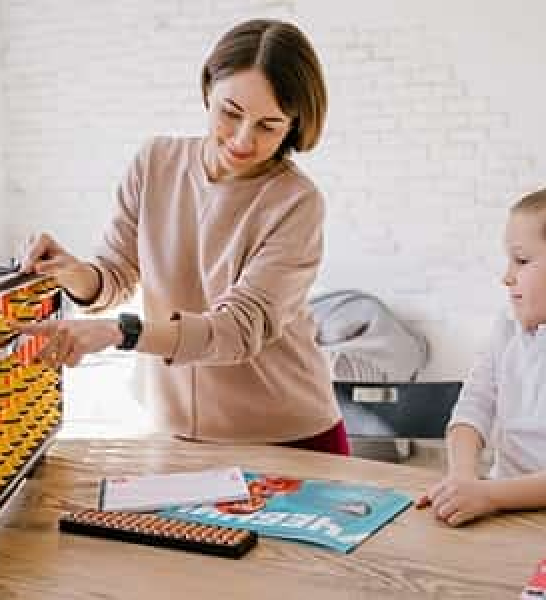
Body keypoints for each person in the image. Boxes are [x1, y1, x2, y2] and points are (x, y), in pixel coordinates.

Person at [16, 19, 349, 455]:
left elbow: (237, 331)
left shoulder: (296, 202)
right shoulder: (156, 162)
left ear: (293, 125)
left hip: (288, 436)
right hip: (176, 433)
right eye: (231, 113)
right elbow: (115, 273)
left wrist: (120, 333)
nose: (243, 140)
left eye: (268, 126)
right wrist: (75, 273)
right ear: (209, 87)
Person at [419, 181, 546, 525]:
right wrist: (463, 478)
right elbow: (474, 406)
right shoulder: (508, 322)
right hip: (503, 505)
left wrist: (487, 495)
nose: (506, 277)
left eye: (521, 260)